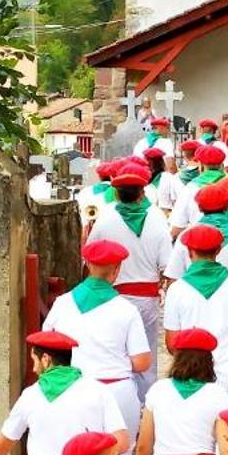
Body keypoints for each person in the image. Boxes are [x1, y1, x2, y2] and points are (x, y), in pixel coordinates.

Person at [0, 328, 127, 455]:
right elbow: (121, 442)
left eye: (34, 361)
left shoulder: (30, 396)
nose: (34, 369)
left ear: (45, 359)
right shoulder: (99, 390)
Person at [42, 237, 152, 444]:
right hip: (116, 391)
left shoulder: (61, 304)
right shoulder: (127, 310)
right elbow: (142, 362)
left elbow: (45, 346)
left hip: (70, 390)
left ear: (87, 265)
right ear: (117, 269)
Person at [87, 159, 170, 401]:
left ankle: (119, 400)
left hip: (113, 296)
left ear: (116, 192)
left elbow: (89, 255)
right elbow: (166, 264)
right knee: (146, 354)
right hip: (147, 299)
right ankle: (145, 407)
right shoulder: (156, 217)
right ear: (142, 191)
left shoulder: (105, 218)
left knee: (116, 352)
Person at [163, 222, 228, 404]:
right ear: (219, 250)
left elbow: (172, 344)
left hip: (191, 378)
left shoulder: (177, 289)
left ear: (188, 252)